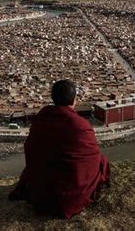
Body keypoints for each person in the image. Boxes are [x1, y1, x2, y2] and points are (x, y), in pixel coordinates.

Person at [8, 79, 110, 219]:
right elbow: (92, 156)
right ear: (74, 100)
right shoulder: (80, 125)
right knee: (101, 160)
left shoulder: (42, 117)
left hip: (40, 190)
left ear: (53, 98)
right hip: (67, 197)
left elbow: (31, 148)